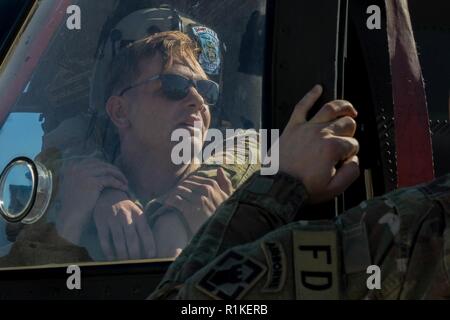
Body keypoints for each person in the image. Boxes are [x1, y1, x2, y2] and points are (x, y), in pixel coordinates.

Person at [149, 85, 450, 300]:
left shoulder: (417, 226)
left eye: (207, 89)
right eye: (173, 85)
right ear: (117, 110)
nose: (198, 99)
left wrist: (282, 182)